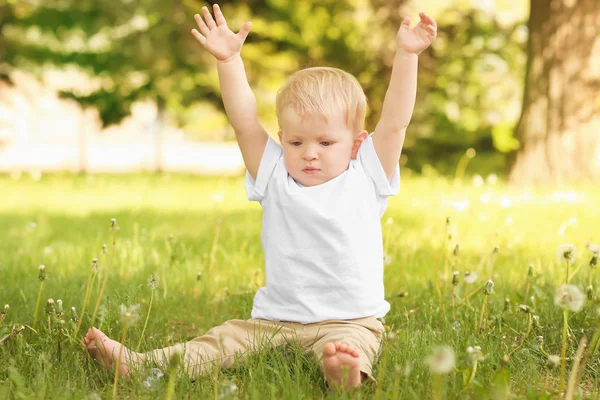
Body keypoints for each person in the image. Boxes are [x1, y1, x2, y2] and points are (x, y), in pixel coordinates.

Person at [83, 3, 436, 391]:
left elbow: (395, 120)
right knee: (221, 340)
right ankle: (139, 363)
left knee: (351, 346)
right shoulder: (274, 175)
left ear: (356, 144)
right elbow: (245, 122)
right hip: (273, 321)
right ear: (282, 139)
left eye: (325, 142)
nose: (310, 153)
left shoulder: (367, 175)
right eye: (297, 141)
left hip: (349, 319)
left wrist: (406, 55)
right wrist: (229, 60)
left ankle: (342, 370)